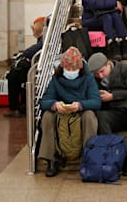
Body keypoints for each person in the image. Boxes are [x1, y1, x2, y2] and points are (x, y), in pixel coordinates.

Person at [38, 47, 101, 177]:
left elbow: (96, 101)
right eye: (68, 68)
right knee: (47, 116)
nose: (71, 71)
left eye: (74, 69)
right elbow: (44, 101)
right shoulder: (56, 79)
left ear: (80, 67)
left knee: (89, 115)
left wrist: (80, 105)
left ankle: (89, 158)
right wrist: (54, 105)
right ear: (63, 67)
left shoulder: (88, 78)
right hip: (61, 112)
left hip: (80, 111)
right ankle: (51, 159)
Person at [88, 52, 127, 176]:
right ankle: (113, 153)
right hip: (114, 113)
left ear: (108, 64)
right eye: (96, 74)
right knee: (101, 116)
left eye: (102, 71)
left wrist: (113, 96)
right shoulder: (94, 79)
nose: (100, 76)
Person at [4, 16, 45, 118]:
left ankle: (14, 108)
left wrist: (23, 55)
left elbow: (31, 51)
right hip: (38, 67)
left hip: (37, 69)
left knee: (13, 76)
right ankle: (22, 104)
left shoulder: (43, 39)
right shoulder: (45, 37)